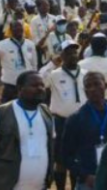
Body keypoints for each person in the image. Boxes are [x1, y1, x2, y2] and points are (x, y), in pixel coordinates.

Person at [0, 70, 53, 190]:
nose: (40, 88)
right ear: (20, 88)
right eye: (34, 85)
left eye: (42, 85)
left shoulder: (46, 113)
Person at [62, 71, 107, 190]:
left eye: (97, 84)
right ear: (84, 90)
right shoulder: (75, 119)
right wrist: (85, 176)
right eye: (88, 86)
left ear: (105, 86)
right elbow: (66, 156)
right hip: (88, 183)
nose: (92, 89)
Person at [40, 39, 86, 190]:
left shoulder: (84, 73)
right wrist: (52, 63)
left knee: (77, 159)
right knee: (60, 160)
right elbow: (40, 80)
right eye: (68, 52)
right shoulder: (54, 74)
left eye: (75, 51)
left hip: (80, 121)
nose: (73, 55)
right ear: (62, 55)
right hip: (61, 121)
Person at [0, 19, 39, 102]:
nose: (19, 29)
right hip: (10, 88)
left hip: (27, 87)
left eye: (20, 27)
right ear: (11, 30)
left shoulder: (30, 44)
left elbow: (34, 65)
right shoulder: (3, 45)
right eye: (16, 27)